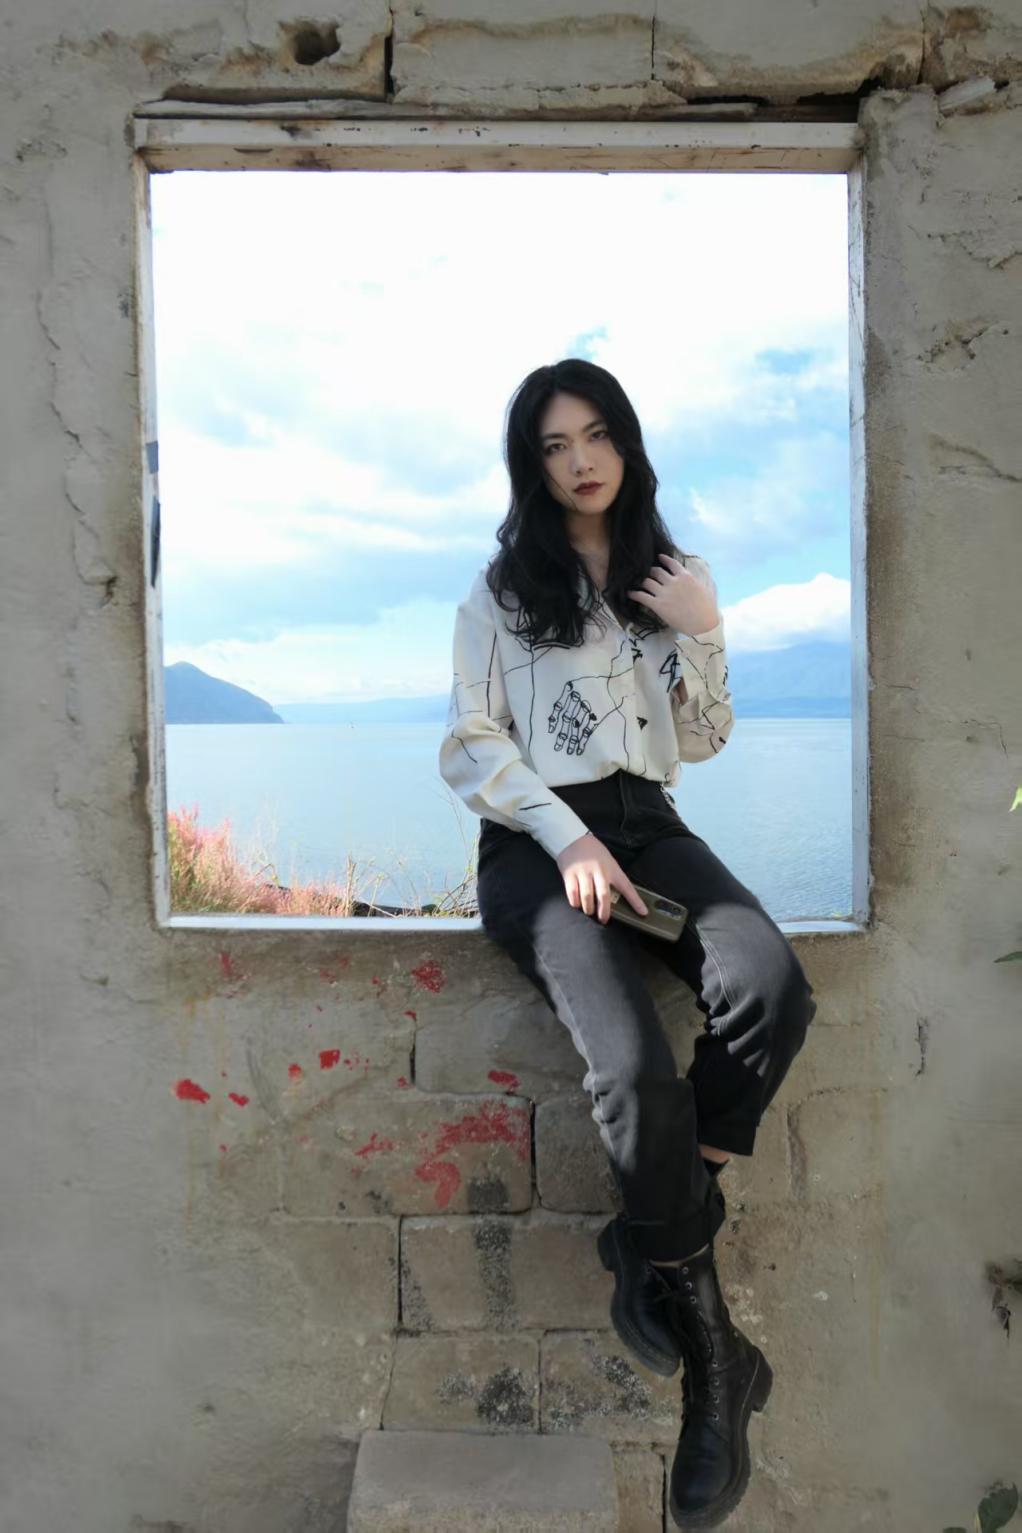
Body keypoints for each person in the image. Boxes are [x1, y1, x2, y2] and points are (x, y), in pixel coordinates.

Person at [437, 357, 817, 1529]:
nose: (580, 460)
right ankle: (714, 1364)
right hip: (535, 841)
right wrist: (566, 842)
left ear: (626, 443)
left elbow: (700, 739)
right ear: (531, 465)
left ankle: (650, 1232)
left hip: (650, 824)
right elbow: (473, 746)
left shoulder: (670, 576)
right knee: (634, 1071)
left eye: (596, 434)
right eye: (554, 445)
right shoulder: (501, 591)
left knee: (768, 986)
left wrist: (706, 630)